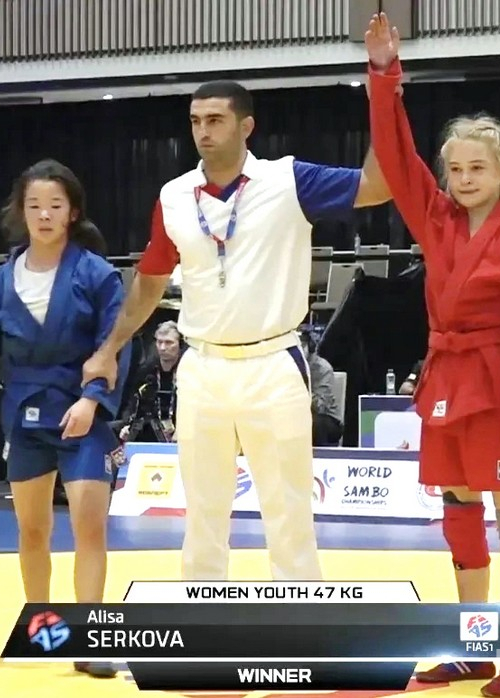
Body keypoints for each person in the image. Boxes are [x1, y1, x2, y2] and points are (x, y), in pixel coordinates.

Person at [81, 80, 390, 582]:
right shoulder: (174, 196)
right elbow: (151, 279)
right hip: (202, 365)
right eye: (195, 121)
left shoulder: (288, 180)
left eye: (215, 120)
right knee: (201, 510)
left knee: (288, 510)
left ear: (246, 126)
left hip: (274, 362)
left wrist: (384, 96)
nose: (203, 131)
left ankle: (300, 612)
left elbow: (378, 185)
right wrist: (109, 348)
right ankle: (203, 612)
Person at [364, 14, 500, 696]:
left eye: (477, 167)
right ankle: (475, 648)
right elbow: (397, 158)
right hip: (448, 385)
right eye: (454, 169)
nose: (463, 178)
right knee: (458, 514)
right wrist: (385, 76)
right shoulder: (436, 221)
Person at [0, 159, 131, 680]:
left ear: (72, 212)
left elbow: (116, 344)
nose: (44, 215)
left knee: (89, 525)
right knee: (32, 530)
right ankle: (42, 629)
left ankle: (90, 639)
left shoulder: (96, 274)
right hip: (25, 418)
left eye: (55, 205)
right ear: (20, 213)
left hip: (82, 414)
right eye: (34, 205)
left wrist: (92, 399)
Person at [120, 320, 183, 442]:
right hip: (151, 427)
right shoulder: (146, 370)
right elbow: (133, 401)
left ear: (180, 344)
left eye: (169, 343)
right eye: (159, 342)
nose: (163, 348)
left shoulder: (188, 371)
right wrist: (128, 424)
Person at [299, 329, 344, 446]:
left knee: (314, 423)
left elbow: (320, 406)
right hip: (298, 414)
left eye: (301, 346)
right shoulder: (286, 367)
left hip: (327, 418)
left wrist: (300, 385)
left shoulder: (323, 369)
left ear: (310, 347)